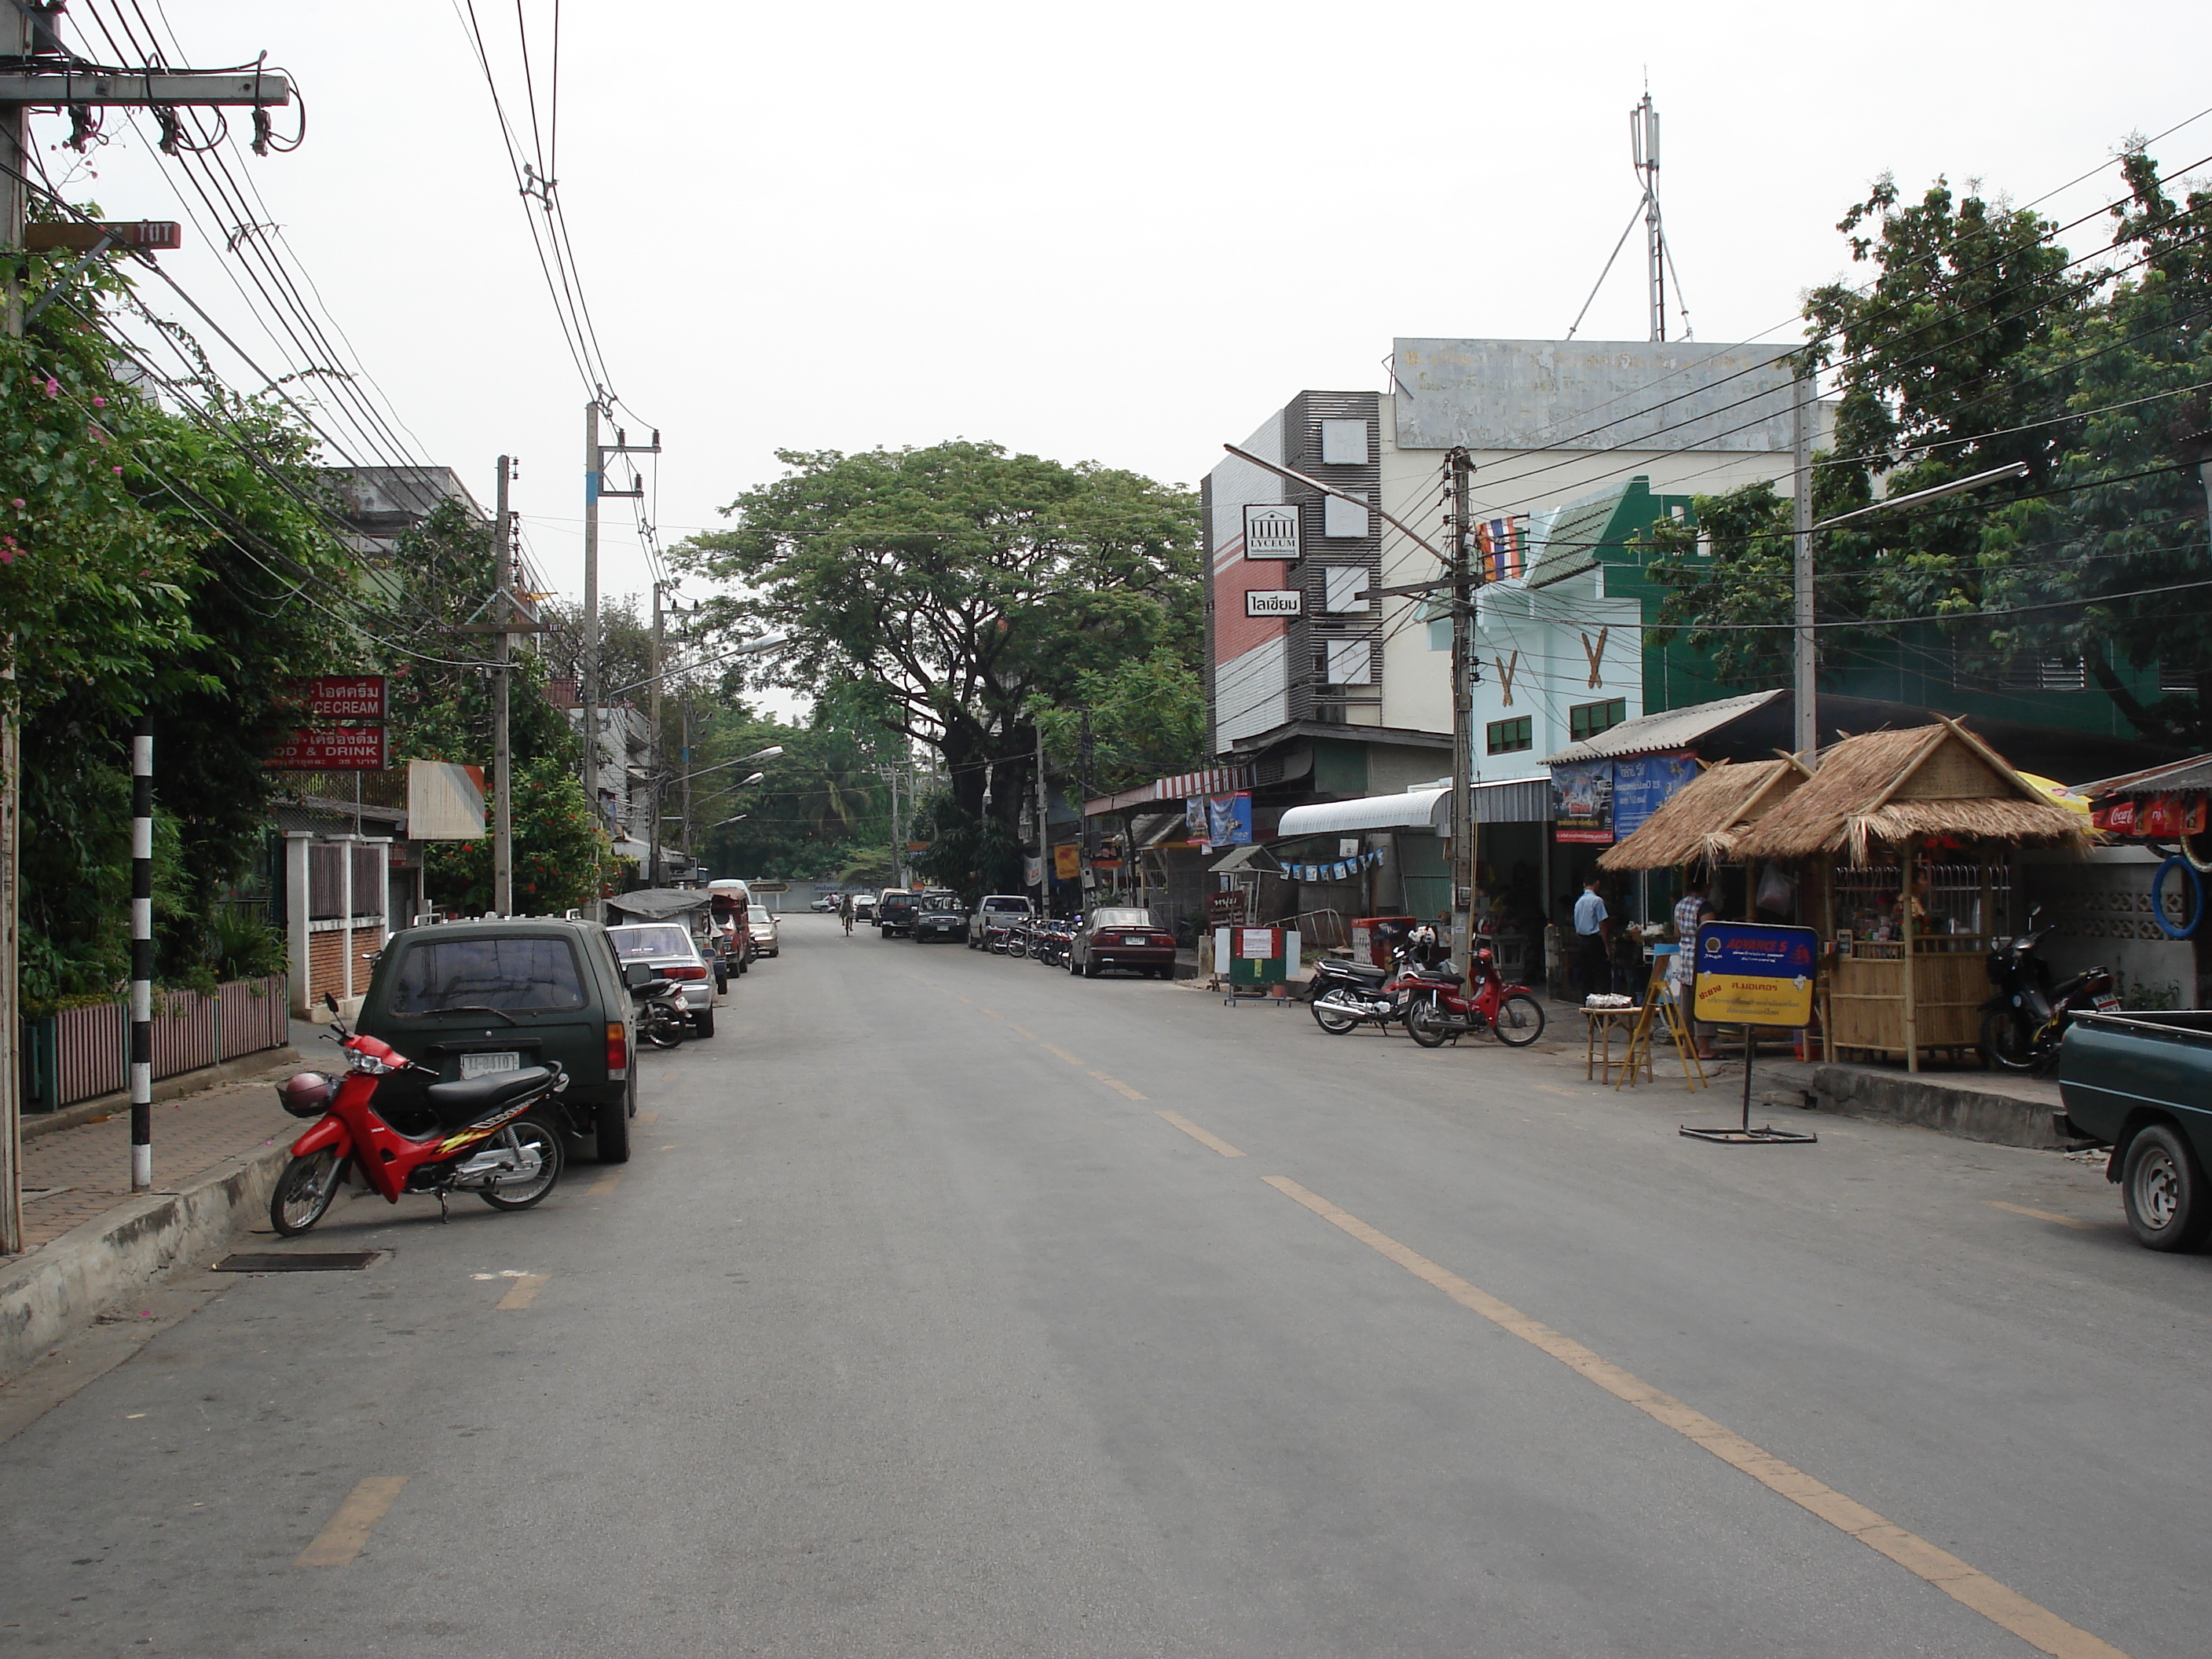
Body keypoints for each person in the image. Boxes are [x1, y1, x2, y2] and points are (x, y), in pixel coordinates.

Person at [1671, 873, 1717, 1060]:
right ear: (1704, 888)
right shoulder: (1704, 906)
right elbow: (1710, 932)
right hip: (1700, 959)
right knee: (1703, 1003)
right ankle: (1705, 1048)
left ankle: (1687, 1048)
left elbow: (1676, 932)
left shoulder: (1680, 905)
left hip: (1685, 958)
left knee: (1687, 1006)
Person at [1572, 877, 1612, 1001]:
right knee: (1601, 976)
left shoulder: (1579, 902)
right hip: (1595, 940)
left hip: (1583, 941)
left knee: (1587, 977)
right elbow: (1602, 925)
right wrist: (1607, 946)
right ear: (1597, 883)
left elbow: (1577, 923)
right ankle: (1603, 1008)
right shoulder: (1597, 901)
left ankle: (1588, 1006)